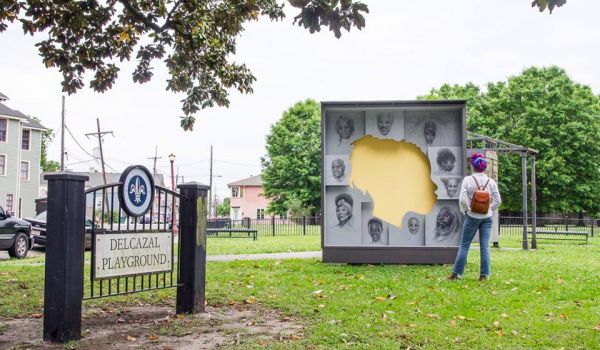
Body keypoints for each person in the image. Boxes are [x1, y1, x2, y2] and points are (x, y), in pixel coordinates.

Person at [449, 153, 502, 281]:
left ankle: (457, 274)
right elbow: (498, 200)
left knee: (464, 245)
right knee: (484, 246)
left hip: (472, 216)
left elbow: (462, 199)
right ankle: (484, 275)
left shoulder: (468, 180)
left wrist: (466, 210)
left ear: (473, 166)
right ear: (484, 167)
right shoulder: (491, 181)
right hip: (487, 217)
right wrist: (489, 208)